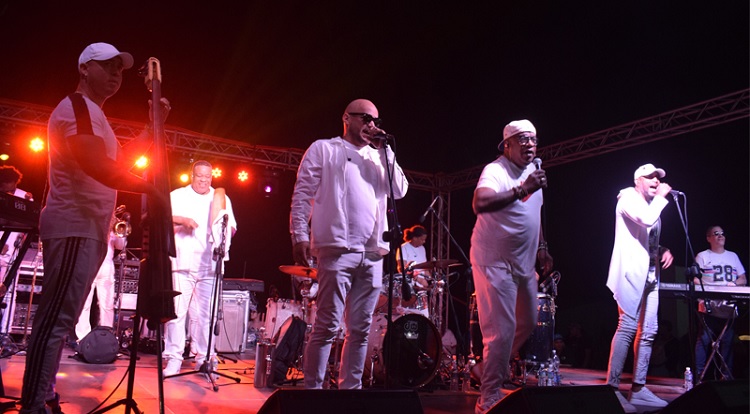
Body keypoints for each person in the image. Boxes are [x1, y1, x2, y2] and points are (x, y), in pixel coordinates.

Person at [19, 42, 170, 414]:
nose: (117, 74)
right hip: (74, 225)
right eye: (109, 66)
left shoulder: (93, 114)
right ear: (84, 68)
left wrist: (153, 128)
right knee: (56, 320)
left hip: (87, 228)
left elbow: (117, 160)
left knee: (62, 318)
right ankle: (34, 404)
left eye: (120, 69)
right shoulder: (77, 108)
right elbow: (96, 165)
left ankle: (44, 394)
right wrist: (150, 188)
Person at [289, 98, 408, 389]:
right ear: (346, 118)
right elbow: (303, 194)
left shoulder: (378, 156)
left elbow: (400, 190)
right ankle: (313, 394)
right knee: (327, 326)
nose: (371, 125)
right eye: (365, 118)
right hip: (337, 250)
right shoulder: (324, 149)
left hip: (372, 252)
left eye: (375, 120)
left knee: (361, 330)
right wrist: (299, 234)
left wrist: (386, 151)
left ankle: (350, 394)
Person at [470, 119, 553, 413]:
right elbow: (480, 203)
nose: (530, 144)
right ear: (507, 145)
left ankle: (485, 369)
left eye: (533, 139)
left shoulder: (534, 170)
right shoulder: (496, 171)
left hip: (523, 262)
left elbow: (535, 213)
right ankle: (487, 398)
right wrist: (522, 189)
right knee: (501, 332)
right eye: (522, 139)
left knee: (527, 322)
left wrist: (542, 247)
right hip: (493, 260)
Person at [605, 163, 674, 412]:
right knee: (627, 326)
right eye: (650, 177)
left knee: (649, 330)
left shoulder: (650, 205)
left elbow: (646, 238)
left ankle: (638, 389)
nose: (656, 180)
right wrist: (662, 198)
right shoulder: (627, 198)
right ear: (638, 181)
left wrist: (662, 249)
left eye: (658, 177)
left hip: (651, 275)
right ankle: (611, 390)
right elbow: (645, 220)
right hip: (631, 273)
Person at [162, 160, 237, 377]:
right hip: (181, 263)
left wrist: (222, 234)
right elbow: (160, 219)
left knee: (206, 315)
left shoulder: (221, 198)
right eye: (199, 176)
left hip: (209, 265)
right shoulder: (178, 195)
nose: (204, 180)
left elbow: (232, 227)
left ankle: (204, 358)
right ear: (192, 176)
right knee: (176, 314)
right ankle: (174, 359)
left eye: (207, 177)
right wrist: (182, 220)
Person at [693, 225, 746, 382]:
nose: (720, 236)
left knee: (727, 342)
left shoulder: (733, 256)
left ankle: (726, 378)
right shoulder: (703, 256)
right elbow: (695, 279)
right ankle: (698, 377)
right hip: (709, 307)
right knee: (704, 340)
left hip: (728, 308)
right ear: (709, 238)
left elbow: (743, 278)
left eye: (722, 233)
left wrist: (734, 284)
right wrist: (708, 290)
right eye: (716, 234)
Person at [73, 217, 126, 341]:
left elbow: (120, 245)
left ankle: (105, 337)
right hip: (88, 263)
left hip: (106, 266)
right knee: (84, 303)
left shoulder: (114, 224)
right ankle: (83, 338)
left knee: (107, 304)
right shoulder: (91, 219)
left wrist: (117, 231)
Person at [0, 166, 34, 318]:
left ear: (15, 182)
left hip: (11, 254)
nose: (6, 190)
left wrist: (21, 238)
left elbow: (29, 225)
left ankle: (4, 328)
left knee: (8, 292)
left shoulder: (25, 197)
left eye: (10, 186)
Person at [392, 224, 430, 316]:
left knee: (424, 315)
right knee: (409, 314)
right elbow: (401, 268)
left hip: (421, 288)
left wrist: (430, 279)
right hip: (410, 287)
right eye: (422, 239)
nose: (424, 241)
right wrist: (418, 279)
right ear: (414, 238)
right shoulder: (404, 248)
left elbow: (425, 267)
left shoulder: (422, 249)